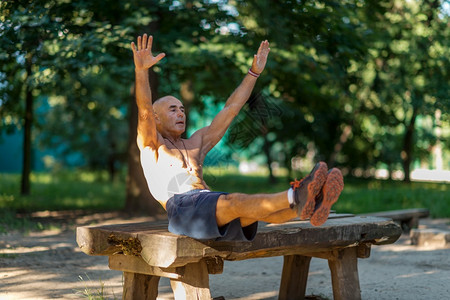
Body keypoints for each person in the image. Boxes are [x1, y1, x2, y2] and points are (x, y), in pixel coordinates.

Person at [131, 33, 344, 241]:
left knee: (256, 213)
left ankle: (314, 202)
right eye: (172, 109)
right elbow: (144, 110)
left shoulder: (196, 143)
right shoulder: (152, 146)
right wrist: (141, 71)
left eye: (182, 109)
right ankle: (298, 194)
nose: (180, 113)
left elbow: (231, 109)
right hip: (182, 208)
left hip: (208, 203)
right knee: (235, 201)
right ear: (156, 118)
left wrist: (254, 73)